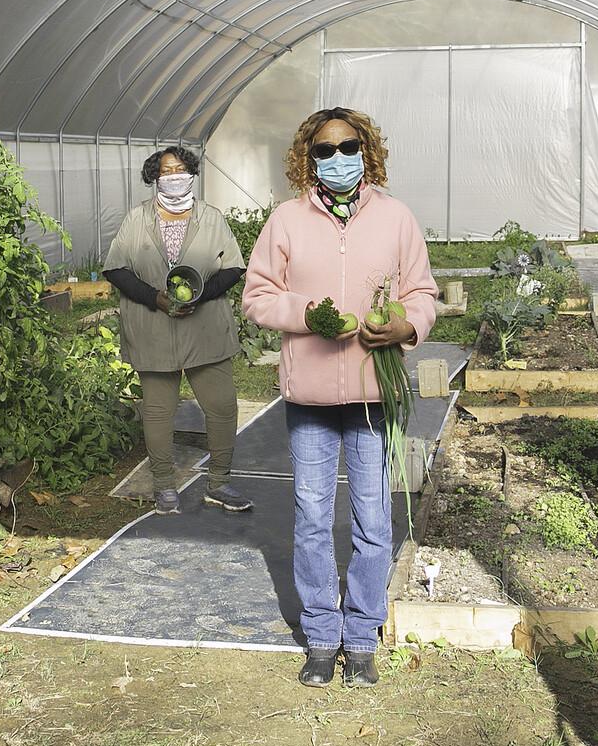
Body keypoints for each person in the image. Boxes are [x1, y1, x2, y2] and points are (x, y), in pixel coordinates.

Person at [243, 107, 437, 689]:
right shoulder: (286, 221)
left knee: (374, 519)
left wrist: (406, 328)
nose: (336, 159)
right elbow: (257, 297)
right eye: (323, 150)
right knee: (309, 517)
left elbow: (422, 292)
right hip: (309, 397)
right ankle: (323, 636)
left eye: (346, 146)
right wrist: (308, 314)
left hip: (376, 394)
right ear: (308, 158)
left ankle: (362, 633)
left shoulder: (396, 219)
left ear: (366, 150)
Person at [103, 147, 252, 516]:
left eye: (181, 169)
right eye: (166, 170)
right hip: (153, 327)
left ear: (192, 174)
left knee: (220, 407)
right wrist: (156, 299)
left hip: (205, 330)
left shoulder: (211, 218)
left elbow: (233, 267)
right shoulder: (137, 219)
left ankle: (219, 483)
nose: (174, 175)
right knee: (157, 411)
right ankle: (165, 486)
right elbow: (117, 270)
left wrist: (200, 296)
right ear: (155, 176)